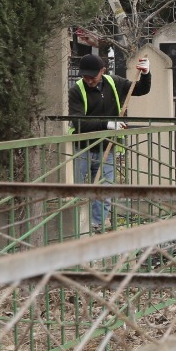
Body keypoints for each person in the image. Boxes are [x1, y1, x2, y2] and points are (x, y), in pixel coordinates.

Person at [68, 52, 152, 231]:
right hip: (83, 148)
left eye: (92, 76)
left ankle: (96, 225)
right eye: (85, 76)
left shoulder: (115, 83)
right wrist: (106, 124)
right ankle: (77, 227)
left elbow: (140, 89)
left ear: (103, 71)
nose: (88, 80)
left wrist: (146, 74)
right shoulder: (76, 90)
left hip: (106, 147)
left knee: (105, 191)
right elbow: (79, 122)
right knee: (78, 189)